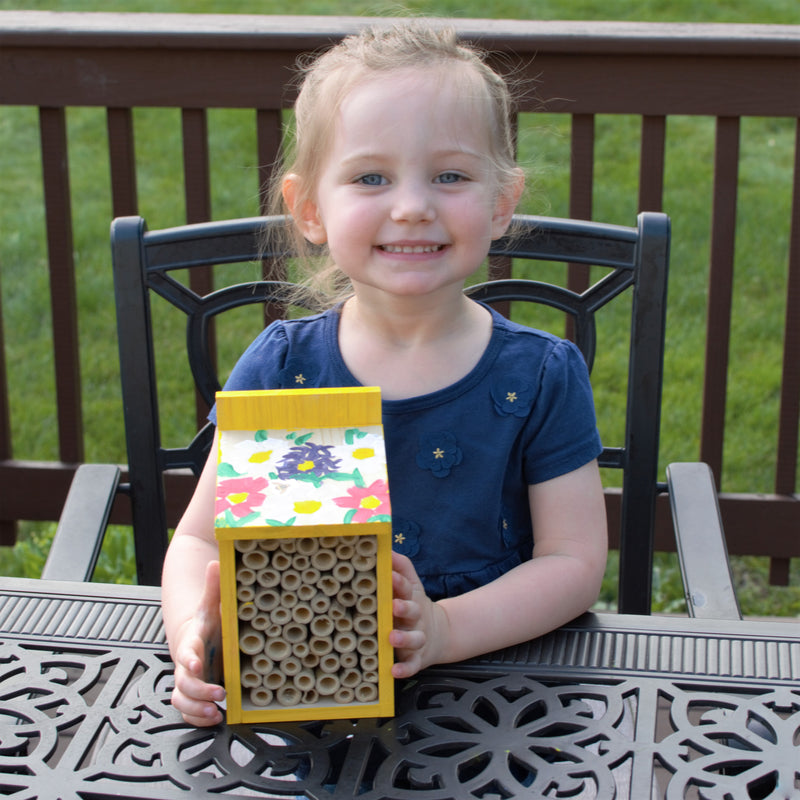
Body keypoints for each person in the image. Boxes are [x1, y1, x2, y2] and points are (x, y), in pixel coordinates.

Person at [162, 21, 608, 728]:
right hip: (303, 697)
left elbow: (575, 562)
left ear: (501, 202)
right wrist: (194, 634)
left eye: (450, 176)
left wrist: (448, 630)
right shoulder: (283, 368)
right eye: (371, 176)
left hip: (501, 701)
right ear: (310, 208)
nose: (411, 205)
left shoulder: (539, 374)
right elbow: (195, 541)